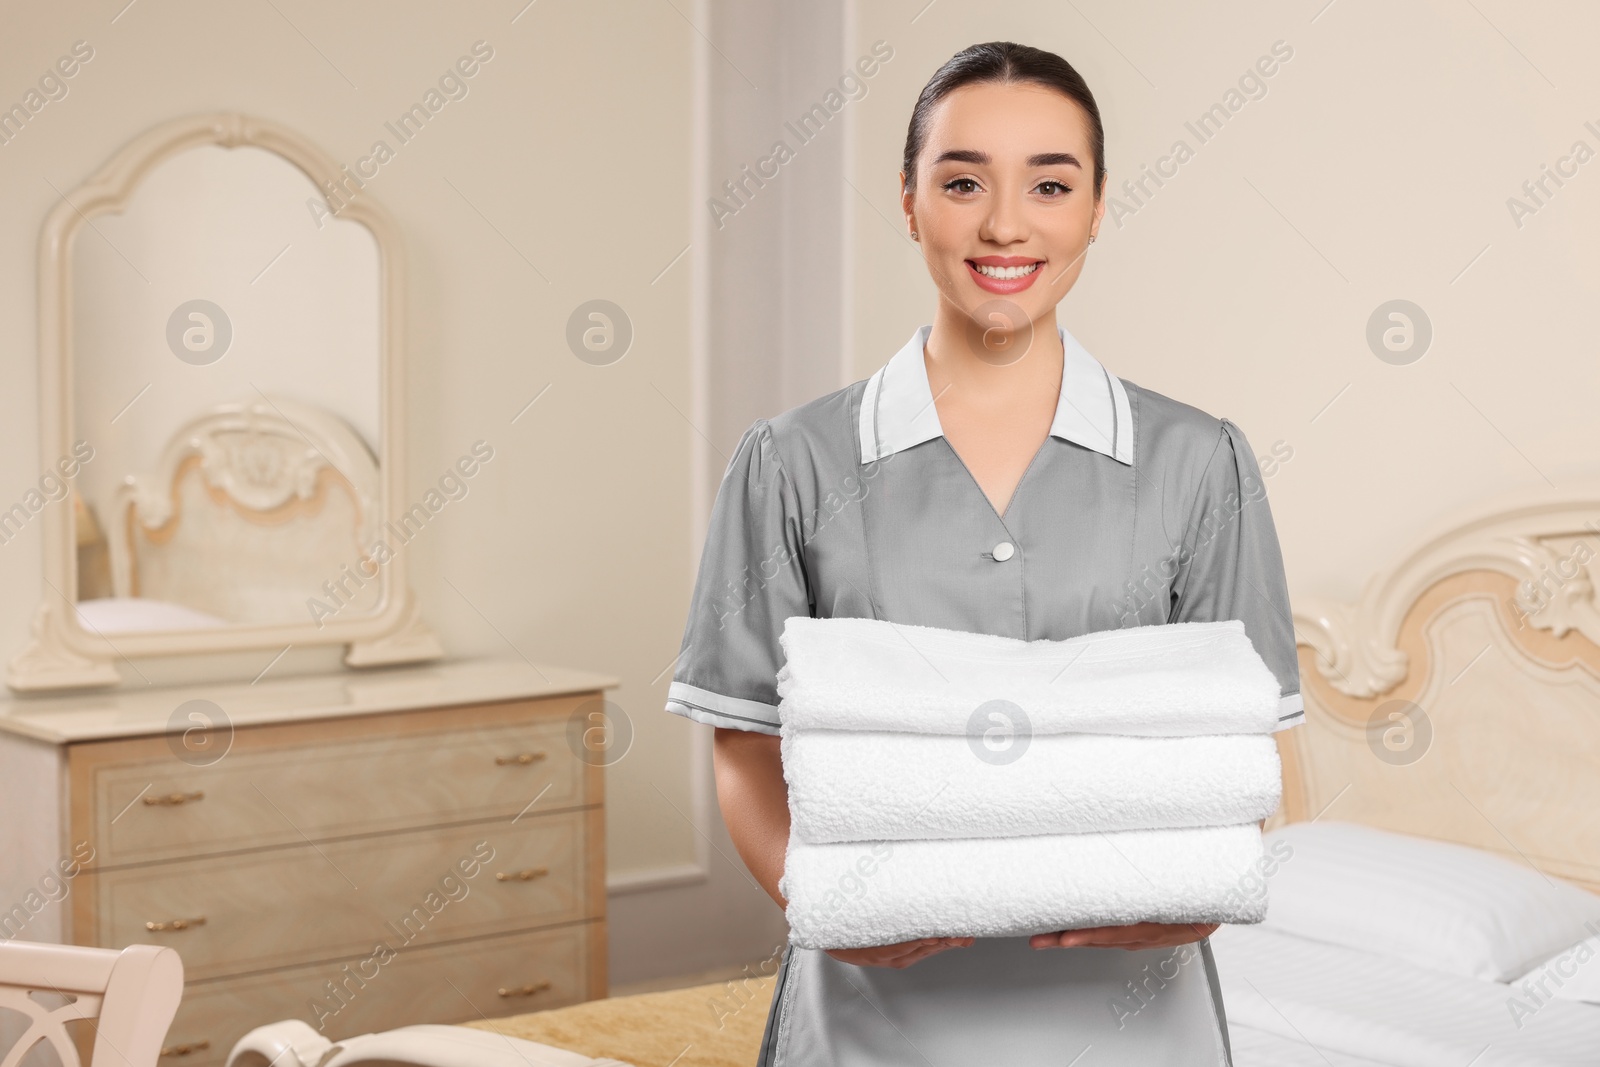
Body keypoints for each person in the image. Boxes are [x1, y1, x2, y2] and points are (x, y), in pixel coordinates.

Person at [664, 39, 1304, 1066]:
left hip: (1134, 1017)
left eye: (1050, 183)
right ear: (909, 202)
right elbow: (742, 740)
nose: (1005, 224)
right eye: (962, 181)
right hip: (871, 1010)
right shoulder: (790, 460)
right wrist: (829, 899)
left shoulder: (1199, 461)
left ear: (1095, 207)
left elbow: (1246, 744)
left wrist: (1198, 898)